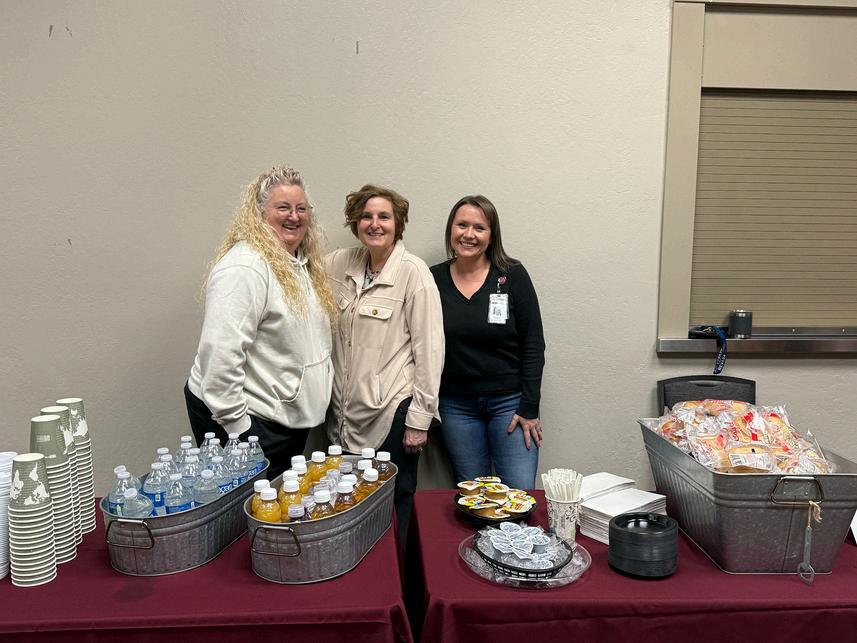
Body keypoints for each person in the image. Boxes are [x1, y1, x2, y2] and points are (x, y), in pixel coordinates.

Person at [184, 165, 337, 480]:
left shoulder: (299, 263)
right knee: (249, 507)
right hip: (251, 426)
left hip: (284, 420)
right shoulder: (245, 268)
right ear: (259, 214)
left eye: (301, 208)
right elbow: (220, 358)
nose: (294, 216)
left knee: (277, 503)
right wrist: (242, 432)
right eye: (283, 208)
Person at [326, 184, 444, 540]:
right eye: (366, 216)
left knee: (394, 503)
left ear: (398, 224)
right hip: (343, 416)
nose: (374, 224)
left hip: (391, 414)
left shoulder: (413, 273)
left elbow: (430, 351)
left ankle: (398, 571)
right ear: (355, 222)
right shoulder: (341, 264)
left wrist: (420, 420)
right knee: (346, 504)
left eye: (384, 217)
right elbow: (299, 267)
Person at [430, 195, 545, 490]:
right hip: (456, 407)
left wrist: (529, 406)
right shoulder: (432, 279)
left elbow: (534, 344)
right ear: (451, 229)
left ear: (492, 235)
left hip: (510, 405)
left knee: (519, 496)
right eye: (462, 225)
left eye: (479, 228)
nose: (469, 234)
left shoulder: (512, 275)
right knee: (474, 498)